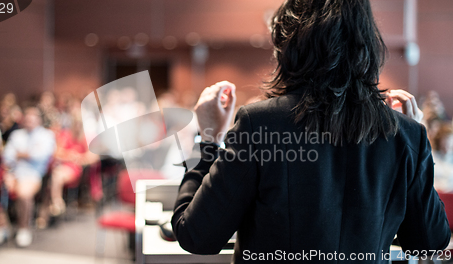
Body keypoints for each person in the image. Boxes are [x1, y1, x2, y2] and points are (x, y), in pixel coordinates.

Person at [171, 1, 450, 263]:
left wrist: (208, 139)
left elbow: (196, 235)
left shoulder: (259, 124)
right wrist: (416, 146)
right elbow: (429, 242)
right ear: (366, 41)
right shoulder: (405, 134)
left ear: (287, 44)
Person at [0, 106, 55, 247]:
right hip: (13, 173)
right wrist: (24, 156)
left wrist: (20, 154)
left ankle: (24, 229)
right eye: (27, 118)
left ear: (39, 120)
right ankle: (2, 227)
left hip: (33, 175)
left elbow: (40, 156)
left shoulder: (46, 135)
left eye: (33, 118)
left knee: (24, 194)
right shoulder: (17, 135)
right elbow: (7, 156)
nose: (29, 121)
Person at [432, 123, 453, 193]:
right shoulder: (432, 156)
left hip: (450, 195)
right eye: (445, 140)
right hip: (436, 193)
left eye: (450, 140)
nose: (447, 144)